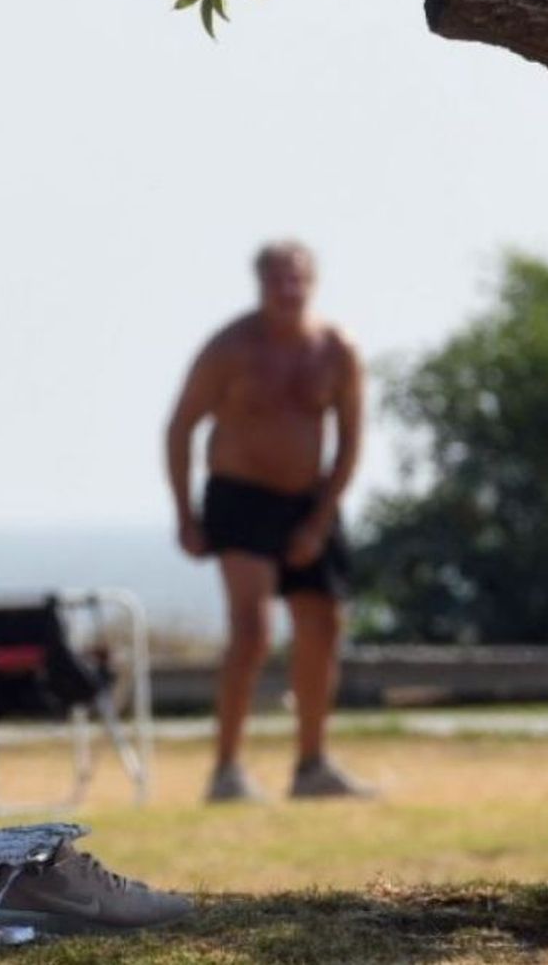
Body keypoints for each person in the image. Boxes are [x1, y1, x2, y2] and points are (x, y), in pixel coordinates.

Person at [165, 240, 373, 802]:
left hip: (309, 501)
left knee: (322, 627)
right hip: (240, 499)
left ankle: (312, 765)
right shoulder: (231, 348)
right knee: (252, 631)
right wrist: (186, 513)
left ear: (312, 281)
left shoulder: (336, 350)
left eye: (297, 279)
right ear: (260, 284)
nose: (288, 289)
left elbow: (352, 440)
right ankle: (226, 771)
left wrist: (319, 519)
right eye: (278, 279)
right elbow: (181, 426)